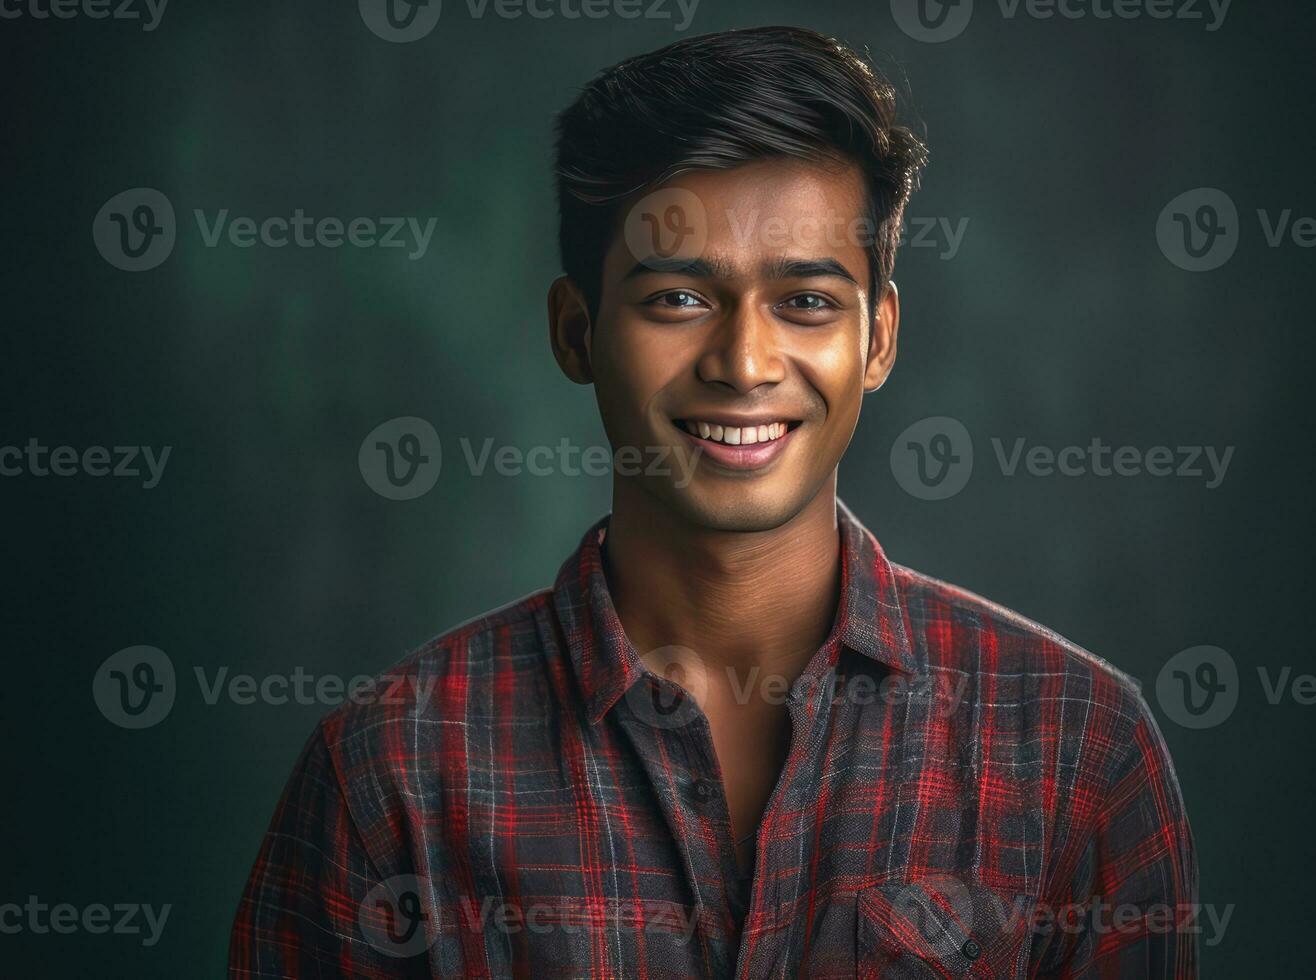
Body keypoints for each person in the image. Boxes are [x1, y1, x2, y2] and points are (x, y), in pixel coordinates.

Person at [230, 25, 1197, 978]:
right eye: (678, 300)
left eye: (806, 301)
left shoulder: (1074, 745)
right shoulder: (391, 775)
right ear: (576, 332)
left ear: (879, 338)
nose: (743, 363)